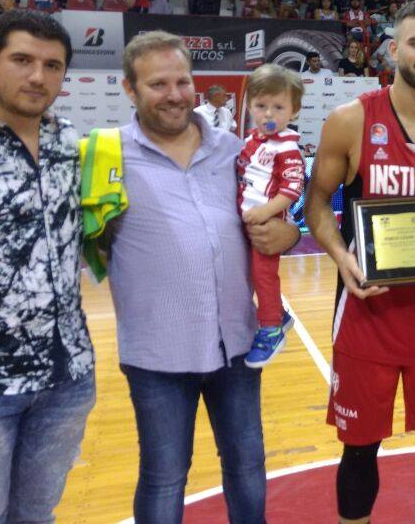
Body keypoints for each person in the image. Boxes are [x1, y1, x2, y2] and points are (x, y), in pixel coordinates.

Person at [304, 0, 415, 524]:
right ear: (393, 49)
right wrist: (340, 256)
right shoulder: (350, 121)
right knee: (359, 447)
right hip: (367, 311)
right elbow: (317, 204)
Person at [111, 31, 299, 522]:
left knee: (246, 465)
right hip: (157, 354)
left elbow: (272, 214)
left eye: (182, 81)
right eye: (157, 84)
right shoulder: (106, 157)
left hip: (234, 345)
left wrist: (291, 235)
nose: (174, 94)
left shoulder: (234, 149)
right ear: (130, 89)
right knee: (164, 476)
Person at [0, 10, 95, 523]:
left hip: (66, 377)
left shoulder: (69, 142)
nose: (38, 77)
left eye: (52, 66)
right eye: (22, 60)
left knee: (36, 516)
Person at [237, 65, 305, 367]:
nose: (268, 114)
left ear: (294, 110)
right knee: (248, 275)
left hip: (266, 224)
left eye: (278, 107)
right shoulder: (252, 140)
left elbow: (292, 190)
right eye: (261, 106)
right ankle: (278, 312)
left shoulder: (288, 147)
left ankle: (270, 328)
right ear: (250, 105)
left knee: (263, 277)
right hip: (249, 220)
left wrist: (264, 213)